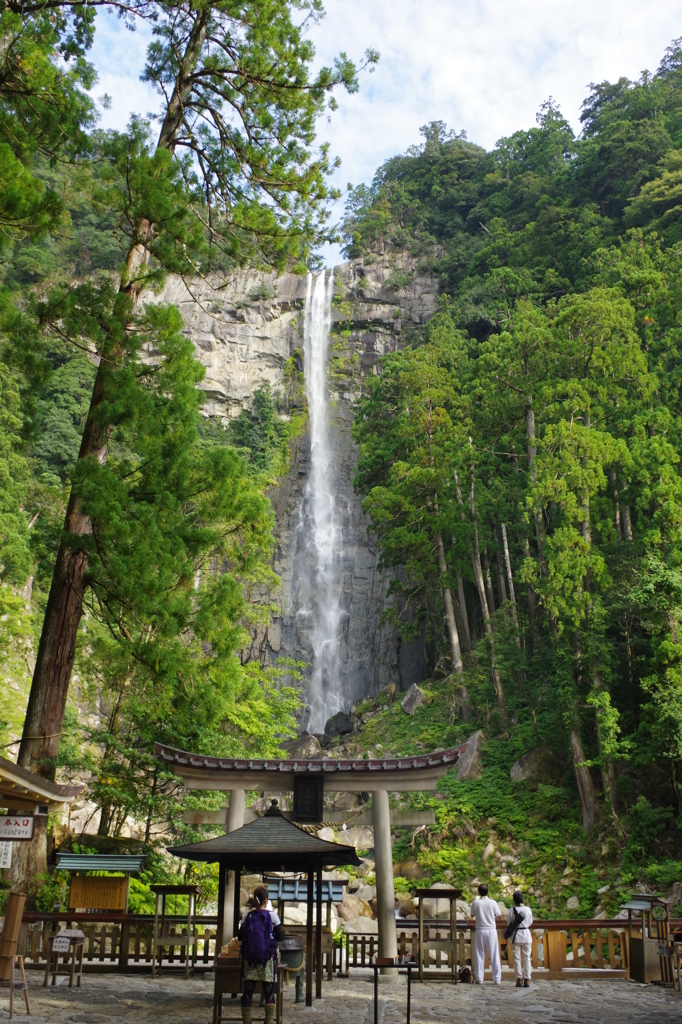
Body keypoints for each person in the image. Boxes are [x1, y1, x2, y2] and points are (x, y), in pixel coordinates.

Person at [238, 886, 285, 1024]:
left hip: (250, 960)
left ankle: (247, 1021)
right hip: (267, 960)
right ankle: (269, 1021)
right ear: (266, 900)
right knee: (269, 992)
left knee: (248, 993)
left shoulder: (247, 917)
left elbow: (240, 937)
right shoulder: (272, 916)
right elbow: (280, 937)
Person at [471, 883, 502, 984]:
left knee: (479, 953)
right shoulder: (493, 903)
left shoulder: (476, 903)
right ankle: (497, 978)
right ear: (488, 891)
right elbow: (499, 915)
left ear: (479, 892)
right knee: (494, 954)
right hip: (491, 930)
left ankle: (479, 978)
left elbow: (472, 915)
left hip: (480, 929)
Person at [507, 890, 533, 987]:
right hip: (526, 934)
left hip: (516, 935)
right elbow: (530, 922)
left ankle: (519, 978)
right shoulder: (528, 909)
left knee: (516, 958)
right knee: (527, 958)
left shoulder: (512, 910)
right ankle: (527, 978)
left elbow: (508, 922)